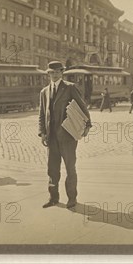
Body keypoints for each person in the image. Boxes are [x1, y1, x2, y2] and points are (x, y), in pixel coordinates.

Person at [38, 61, 92, 210]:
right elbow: (42, 114)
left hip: (67, 136)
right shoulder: (44, 92)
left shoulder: (70, 88)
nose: (54, 75)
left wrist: (87, 125)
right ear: (48, 74)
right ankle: (53, 197)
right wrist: (42, 132)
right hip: (51, 138)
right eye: (51, 72)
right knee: (52, 169)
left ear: (62, 73)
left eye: (57, 72)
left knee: (70, 168)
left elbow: (82, 106)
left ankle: (72, 198)